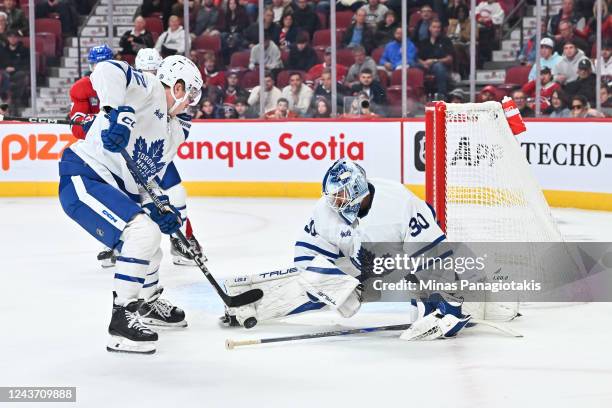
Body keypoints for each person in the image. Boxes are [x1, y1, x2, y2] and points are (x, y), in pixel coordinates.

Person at [220, 159, 472, 342]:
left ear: (357, 188)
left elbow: (434, 254)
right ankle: (250, 304)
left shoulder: (399, 203)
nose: (334, 202)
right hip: (362, 262)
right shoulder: (325, 212)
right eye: (332, 196)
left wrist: (452, 305)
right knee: (320, 285)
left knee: (430, 295)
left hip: (402, 260)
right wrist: (336, 288)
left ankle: (458, 297)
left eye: (340, 195)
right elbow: (305, 256)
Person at [58, 55, 204, 354]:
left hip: (116, 188)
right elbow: (107, 69)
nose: (191, 102)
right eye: (190, 93)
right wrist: (116, 112)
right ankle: (121, 320)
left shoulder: (171, 131)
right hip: (85, 176)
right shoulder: (147, 88)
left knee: (152, 241)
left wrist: (163, 208)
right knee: (141, 234)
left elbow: (147, 182)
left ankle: (147, 303)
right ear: (177, 86)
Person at [134, 48, 207, 267]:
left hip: (151, 157)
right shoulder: (133, 93)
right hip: (124, 163)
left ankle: (180, 240)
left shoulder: (177, 113)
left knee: (176, 193)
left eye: (152, 71)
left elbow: (166, 142)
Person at [417, 19, 454, 98]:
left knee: (438, 66)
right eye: (434, 27)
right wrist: (423, 63)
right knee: (413, 66)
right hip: (425, 66)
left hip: (440, 66)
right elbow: (417, 58)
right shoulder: (424, 42)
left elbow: (449, 59)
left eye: (438, 27)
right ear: (430, 28)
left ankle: (442, 95)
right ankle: (418, 96)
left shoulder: (446, 41)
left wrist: (434, 61)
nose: (436, 29)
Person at [475, 0, 504, 68]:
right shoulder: (482, 4)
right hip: (479, 29)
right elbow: (475, 12)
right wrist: (479, 17)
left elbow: (499, 18)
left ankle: (488, 61)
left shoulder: (497, 6)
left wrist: (487, 21)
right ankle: (480, 64)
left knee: (488, 44)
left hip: (490, 29)